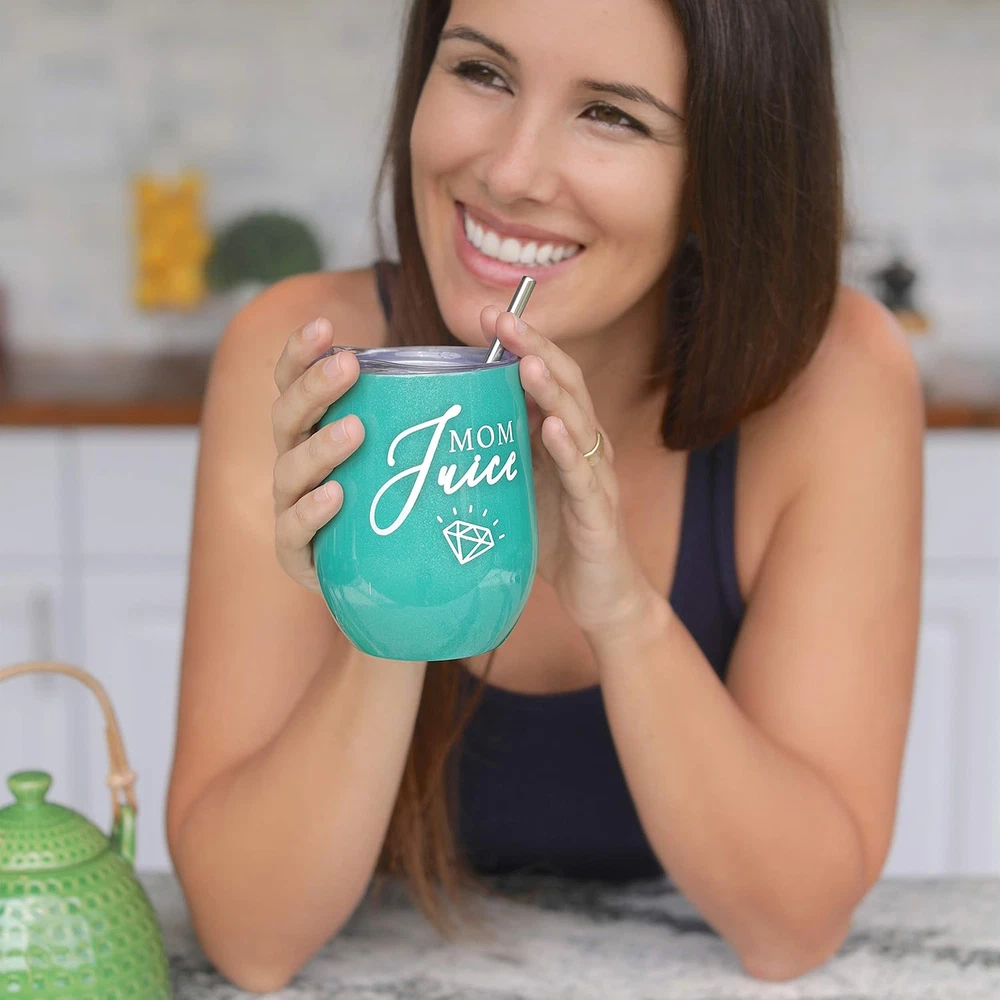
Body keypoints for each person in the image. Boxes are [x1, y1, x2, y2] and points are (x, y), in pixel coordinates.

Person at [165, 0, 925, 992]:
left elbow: (791, 927)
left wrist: (621, 611)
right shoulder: (303, 355)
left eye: (613, 114)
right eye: (482, 72)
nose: (512, 171)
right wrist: (395, 590)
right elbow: (252, 940)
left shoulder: (837, 378)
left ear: (723, 171)